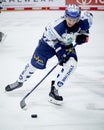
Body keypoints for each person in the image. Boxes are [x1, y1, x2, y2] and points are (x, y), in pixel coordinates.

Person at [5, 4, 93, 105]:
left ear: (78, 19)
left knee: (72, 64)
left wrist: (84, 35)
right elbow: (51, 39)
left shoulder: (85, 21)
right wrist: (60, 52)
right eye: (69, 19)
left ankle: (55, 89)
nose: (71, 22)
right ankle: (20, 81)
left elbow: (87, 24)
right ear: (65, 16)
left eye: (74, 20)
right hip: (48, 44)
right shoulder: (56, 26)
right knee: (34, 65)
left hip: (66, 44)